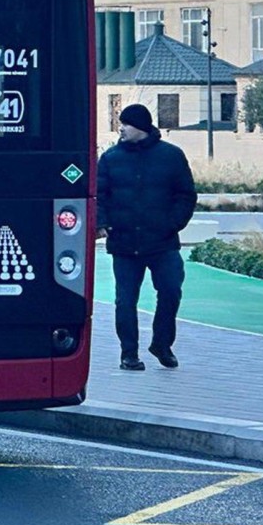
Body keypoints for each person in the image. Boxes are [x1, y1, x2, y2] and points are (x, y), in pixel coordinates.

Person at [96, 103, 197, 371]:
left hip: (162, 242)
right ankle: (128, 353)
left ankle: (162, 344)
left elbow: (186, 195)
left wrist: (172, 224)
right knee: (125, 300)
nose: (121, 128)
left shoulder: (172, 156)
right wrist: (103, 223)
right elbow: (99, 196)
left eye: (126, 124)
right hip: (124, 244)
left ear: (140, 127)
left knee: (170, 291)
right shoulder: (110, 158)